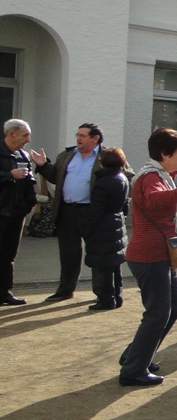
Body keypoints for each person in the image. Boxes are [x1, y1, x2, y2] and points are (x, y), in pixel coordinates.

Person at [119, 128, 177, 387]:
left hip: (160, 254)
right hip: (150, 255)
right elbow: (156, 200)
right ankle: (134, 369)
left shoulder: (158, 171)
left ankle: (136, 355)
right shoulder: (150, 176)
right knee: (158, 313)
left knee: (174, 305)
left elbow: (169, 179)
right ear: (164, 154)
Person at [29, 123, 109, 302]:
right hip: (67, 211)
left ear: (95, 138)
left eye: (83, 135)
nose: (78, 138)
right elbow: (55, 176)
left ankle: (103, 293)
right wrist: (43, 166)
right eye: (77, 135)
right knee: (68, 254)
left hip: (92, 212)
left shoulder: (107, 156)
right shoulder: (67, 155)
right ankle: (65, 290)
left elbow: (124, 176)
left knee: (98, 253)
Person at [81, 148, 130, 310]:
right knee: (114, 264)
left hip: (103, 226)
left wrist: (86, 229)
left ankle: (105, 298)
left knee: (102, 265)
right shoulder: (122, 179)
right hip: (116, 222)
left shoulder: (103, 183)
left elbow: (96, 210)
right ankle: (117, 295)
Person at [0, 119, 37, 305]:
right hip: (1, 211)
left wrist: (29, 203)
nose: (28, 140)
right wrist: (8, 176)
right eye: (25, 135)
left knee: (8, 255)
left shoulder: (24, 156)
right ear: (11, 134)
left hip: (17, 214)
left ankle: (4, 292)